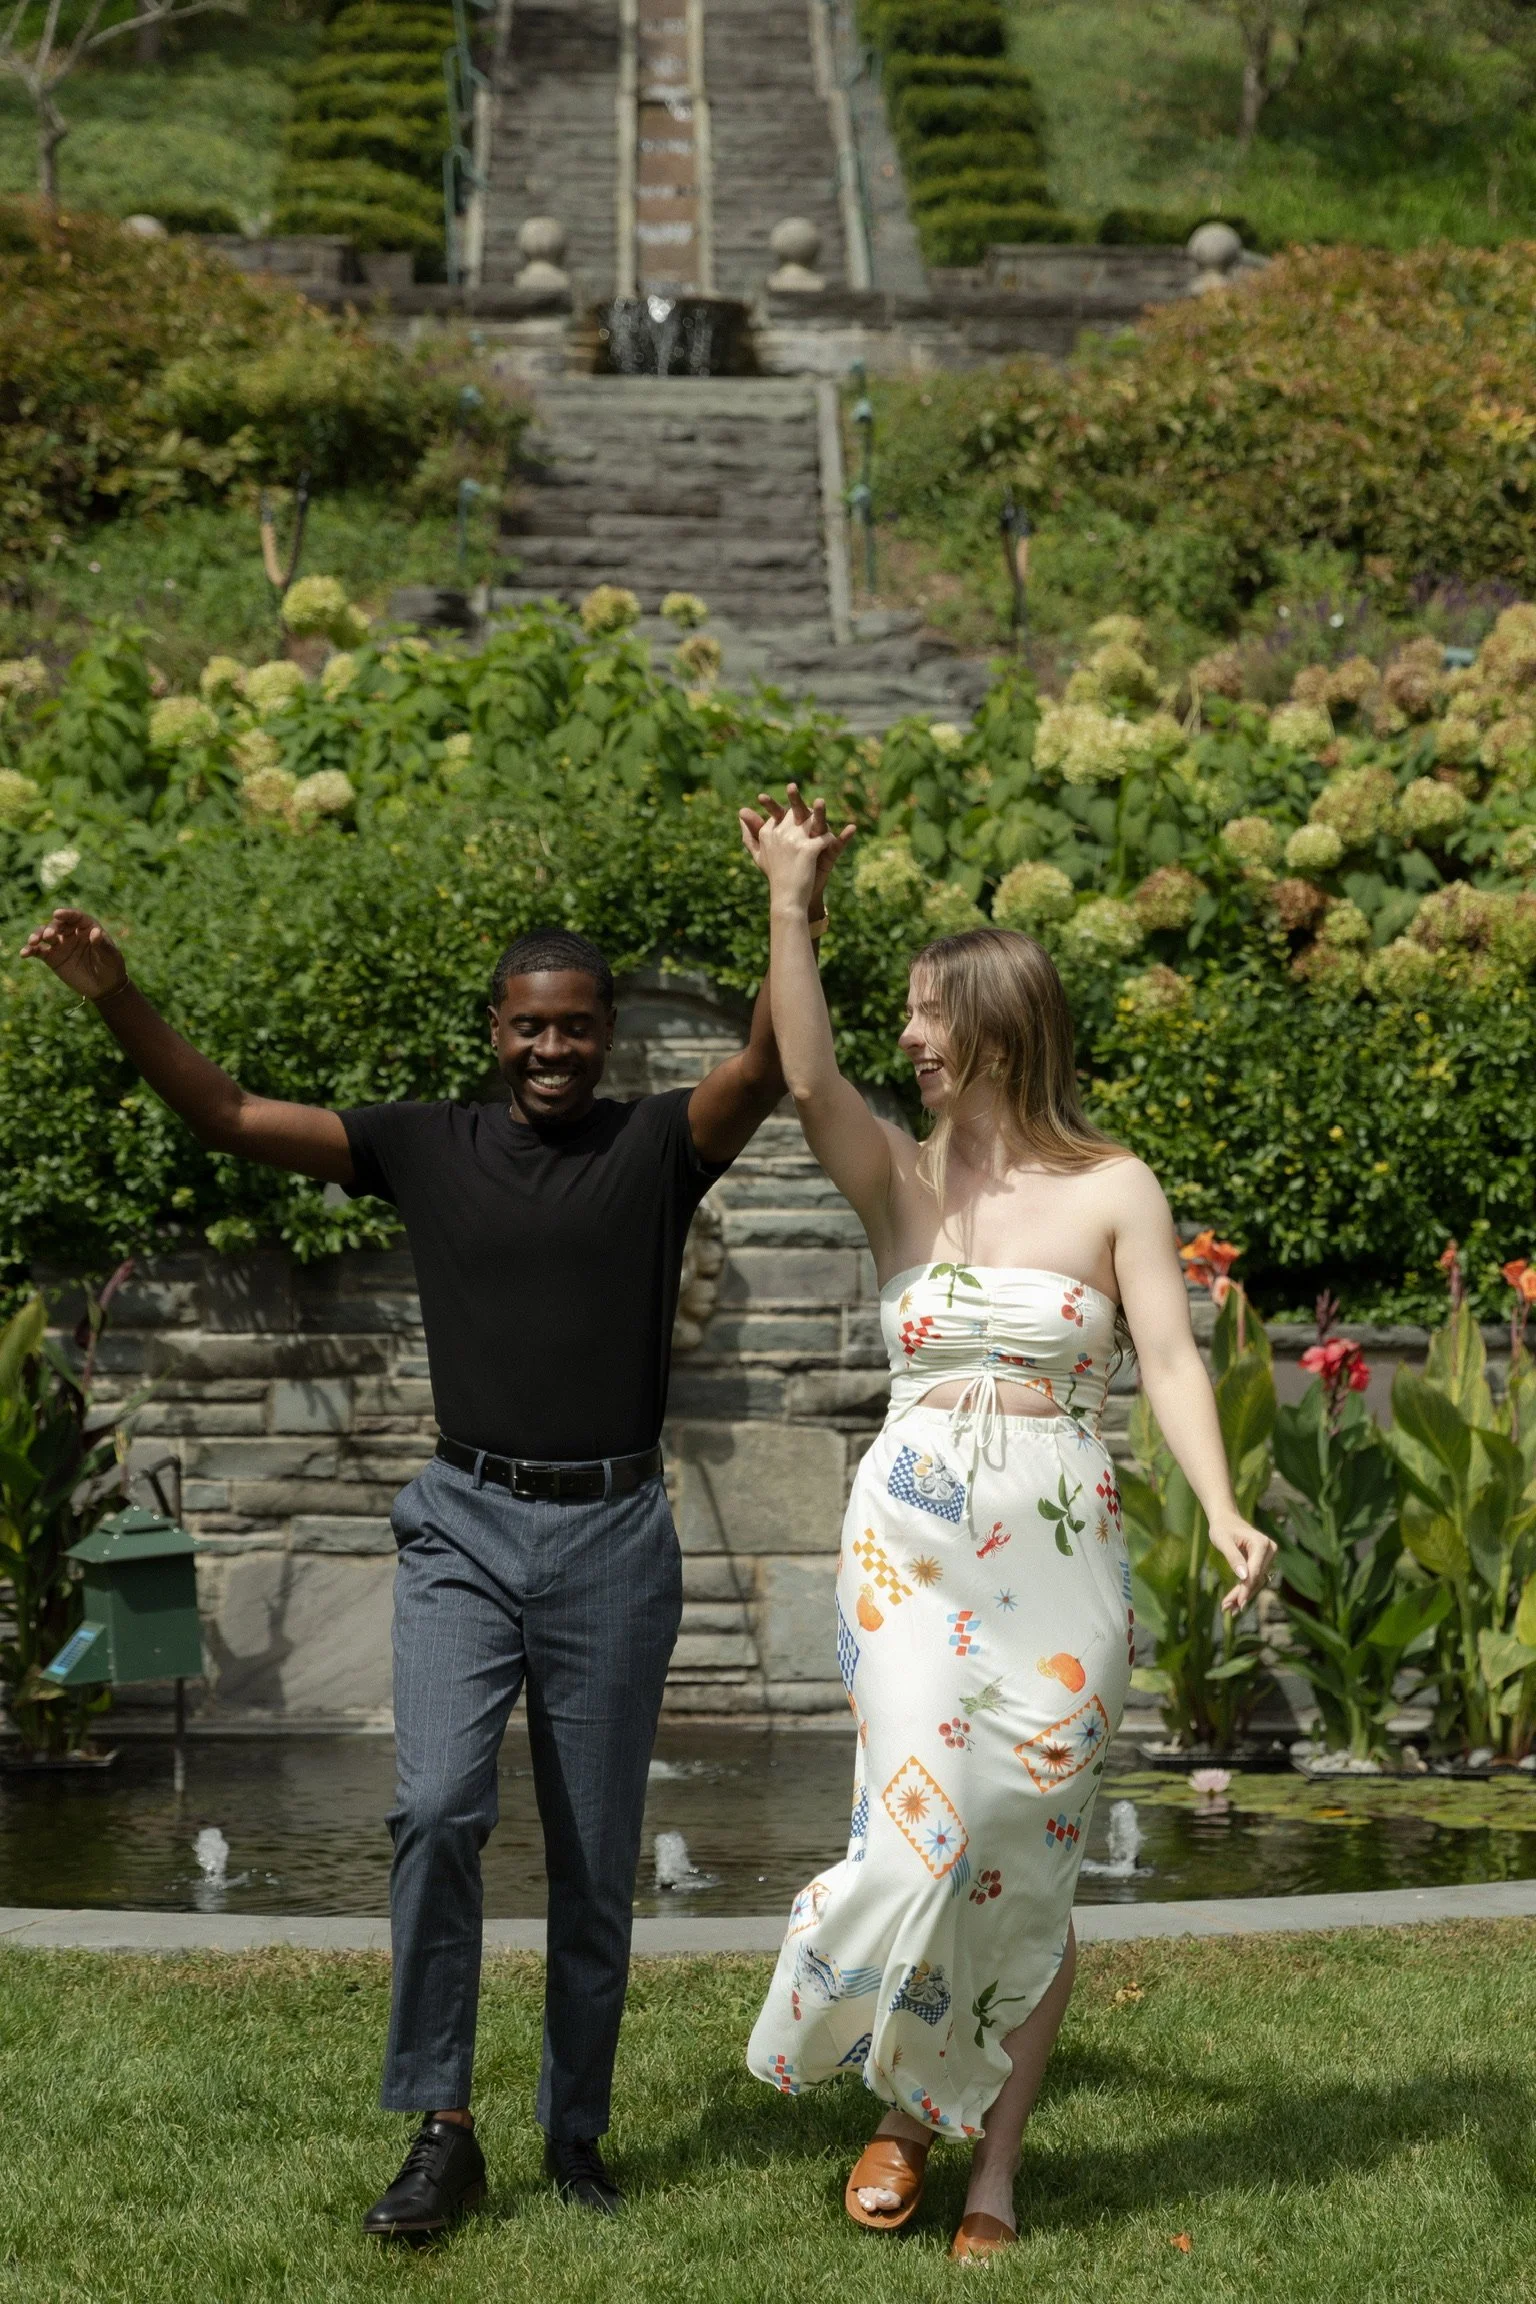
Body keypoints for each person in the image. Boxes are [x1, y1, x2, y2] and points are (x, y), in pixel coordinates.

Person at [21, 815, 850, 2240]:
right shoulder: (423, 1146)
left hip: (611, 1538)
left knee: (597, 1855)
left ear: (607, 1039)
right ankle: (442, 2125)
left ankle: (576, 2134)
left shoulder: (659, 1149)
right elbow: (228, 1117)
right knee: (434, 1809)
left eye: (578, 1029)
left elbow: (775, 1063)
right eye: (531, 1029)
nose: (553, 1052)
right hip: (464, 1525)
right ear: (494, 1031)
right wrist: (117, 1001)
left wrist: (794, 899)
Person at [738, 789, 1275, 2266]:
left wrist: (1222, 1507)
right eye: (905, 1015)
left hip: (1058, 1552)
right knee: (924, 1827)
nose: (908, 1040)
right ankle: (897, 2096)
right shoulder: (901, 1185)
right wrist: (793, 898)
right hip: (906, 1541)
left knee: (1024, 1852)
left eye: (929, 1017)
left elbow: (1168, 1359)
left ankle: (987, 2172)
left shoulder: (1116, 1188)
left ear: (999, 1027)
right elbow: (803, 1076)